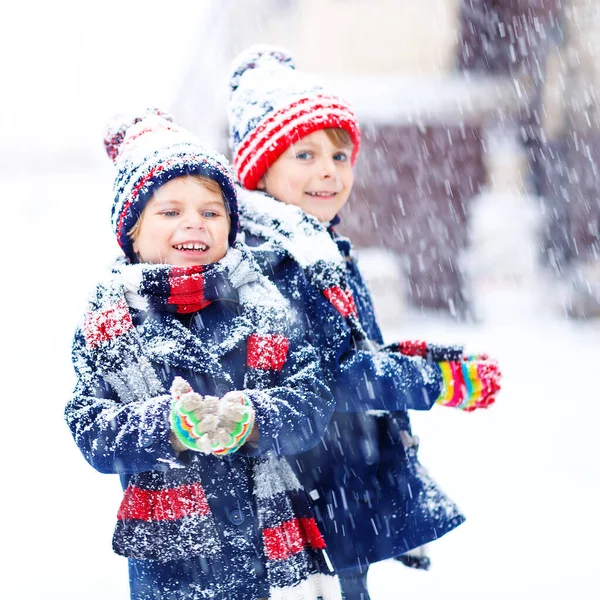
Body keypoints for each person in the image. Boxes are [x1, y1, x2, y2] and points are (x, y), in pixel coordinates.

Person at [227, 46, 501, 600]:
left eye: (340, 155)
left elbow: (352, 346)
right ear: (259, 169)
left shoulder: (317, 246)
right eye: (303, 155)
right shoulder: (277, 261)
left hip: (337, 489)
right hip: (304, 499)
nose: (328, 169)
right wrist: (443, 383)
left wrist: (421, 357)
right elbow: (340, 377)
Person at [64, 109, 344, 600]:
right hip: (174, 564)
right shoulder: (109, 323)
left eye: (211, 212)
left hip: (268, 549)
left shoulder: (263, 304)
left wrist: (255, 420)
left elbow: (312, 399)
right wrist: (164, 426)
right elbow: (90, 425)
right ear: (130, 231)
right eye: (170, 212)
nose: (194, 222)